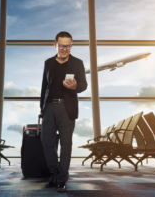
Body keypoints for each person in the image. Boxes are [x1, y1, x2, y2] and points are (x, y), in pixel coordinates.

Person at [40, 31, 88, 192]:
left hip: (67, 108)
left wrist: (75, 87)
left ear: (71, 46)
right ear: (55, 45)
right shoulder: (48, 63)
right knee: (47, 142)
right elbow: (44, 87)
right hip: (49, 107)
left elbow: (83, 85)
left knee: (66, 145)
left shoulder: (78, 63)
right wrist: (42, 108)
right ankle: (55, 173)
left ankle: (61, 179)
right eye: (61, 45)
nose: (64, 49)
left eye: (68, 46)